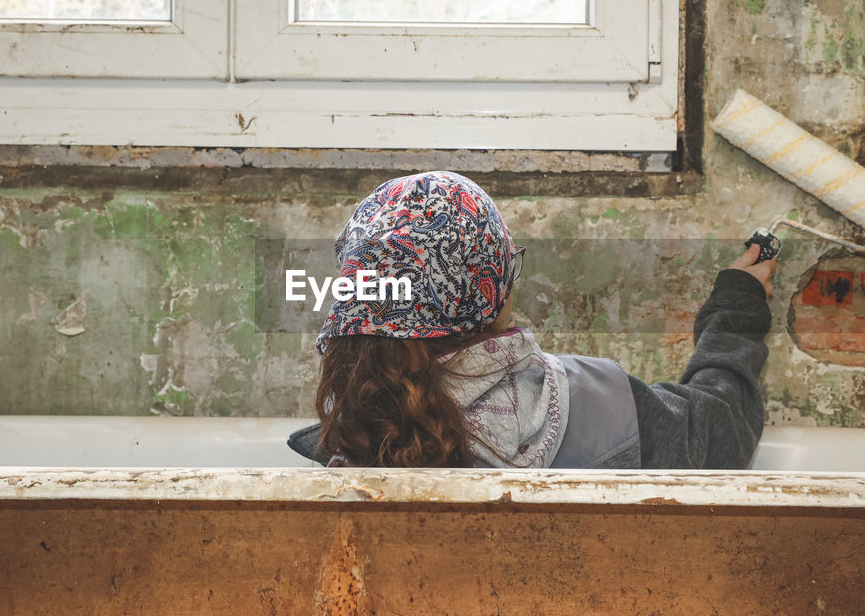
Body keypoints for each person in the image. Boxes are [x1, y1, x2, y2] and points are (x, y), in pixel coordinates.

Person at [287, 171, 776, 469]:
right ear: (492, 290)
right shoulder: (601, 403)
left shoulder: (350, 437)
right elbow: (723, 426)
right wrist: (737, 305)